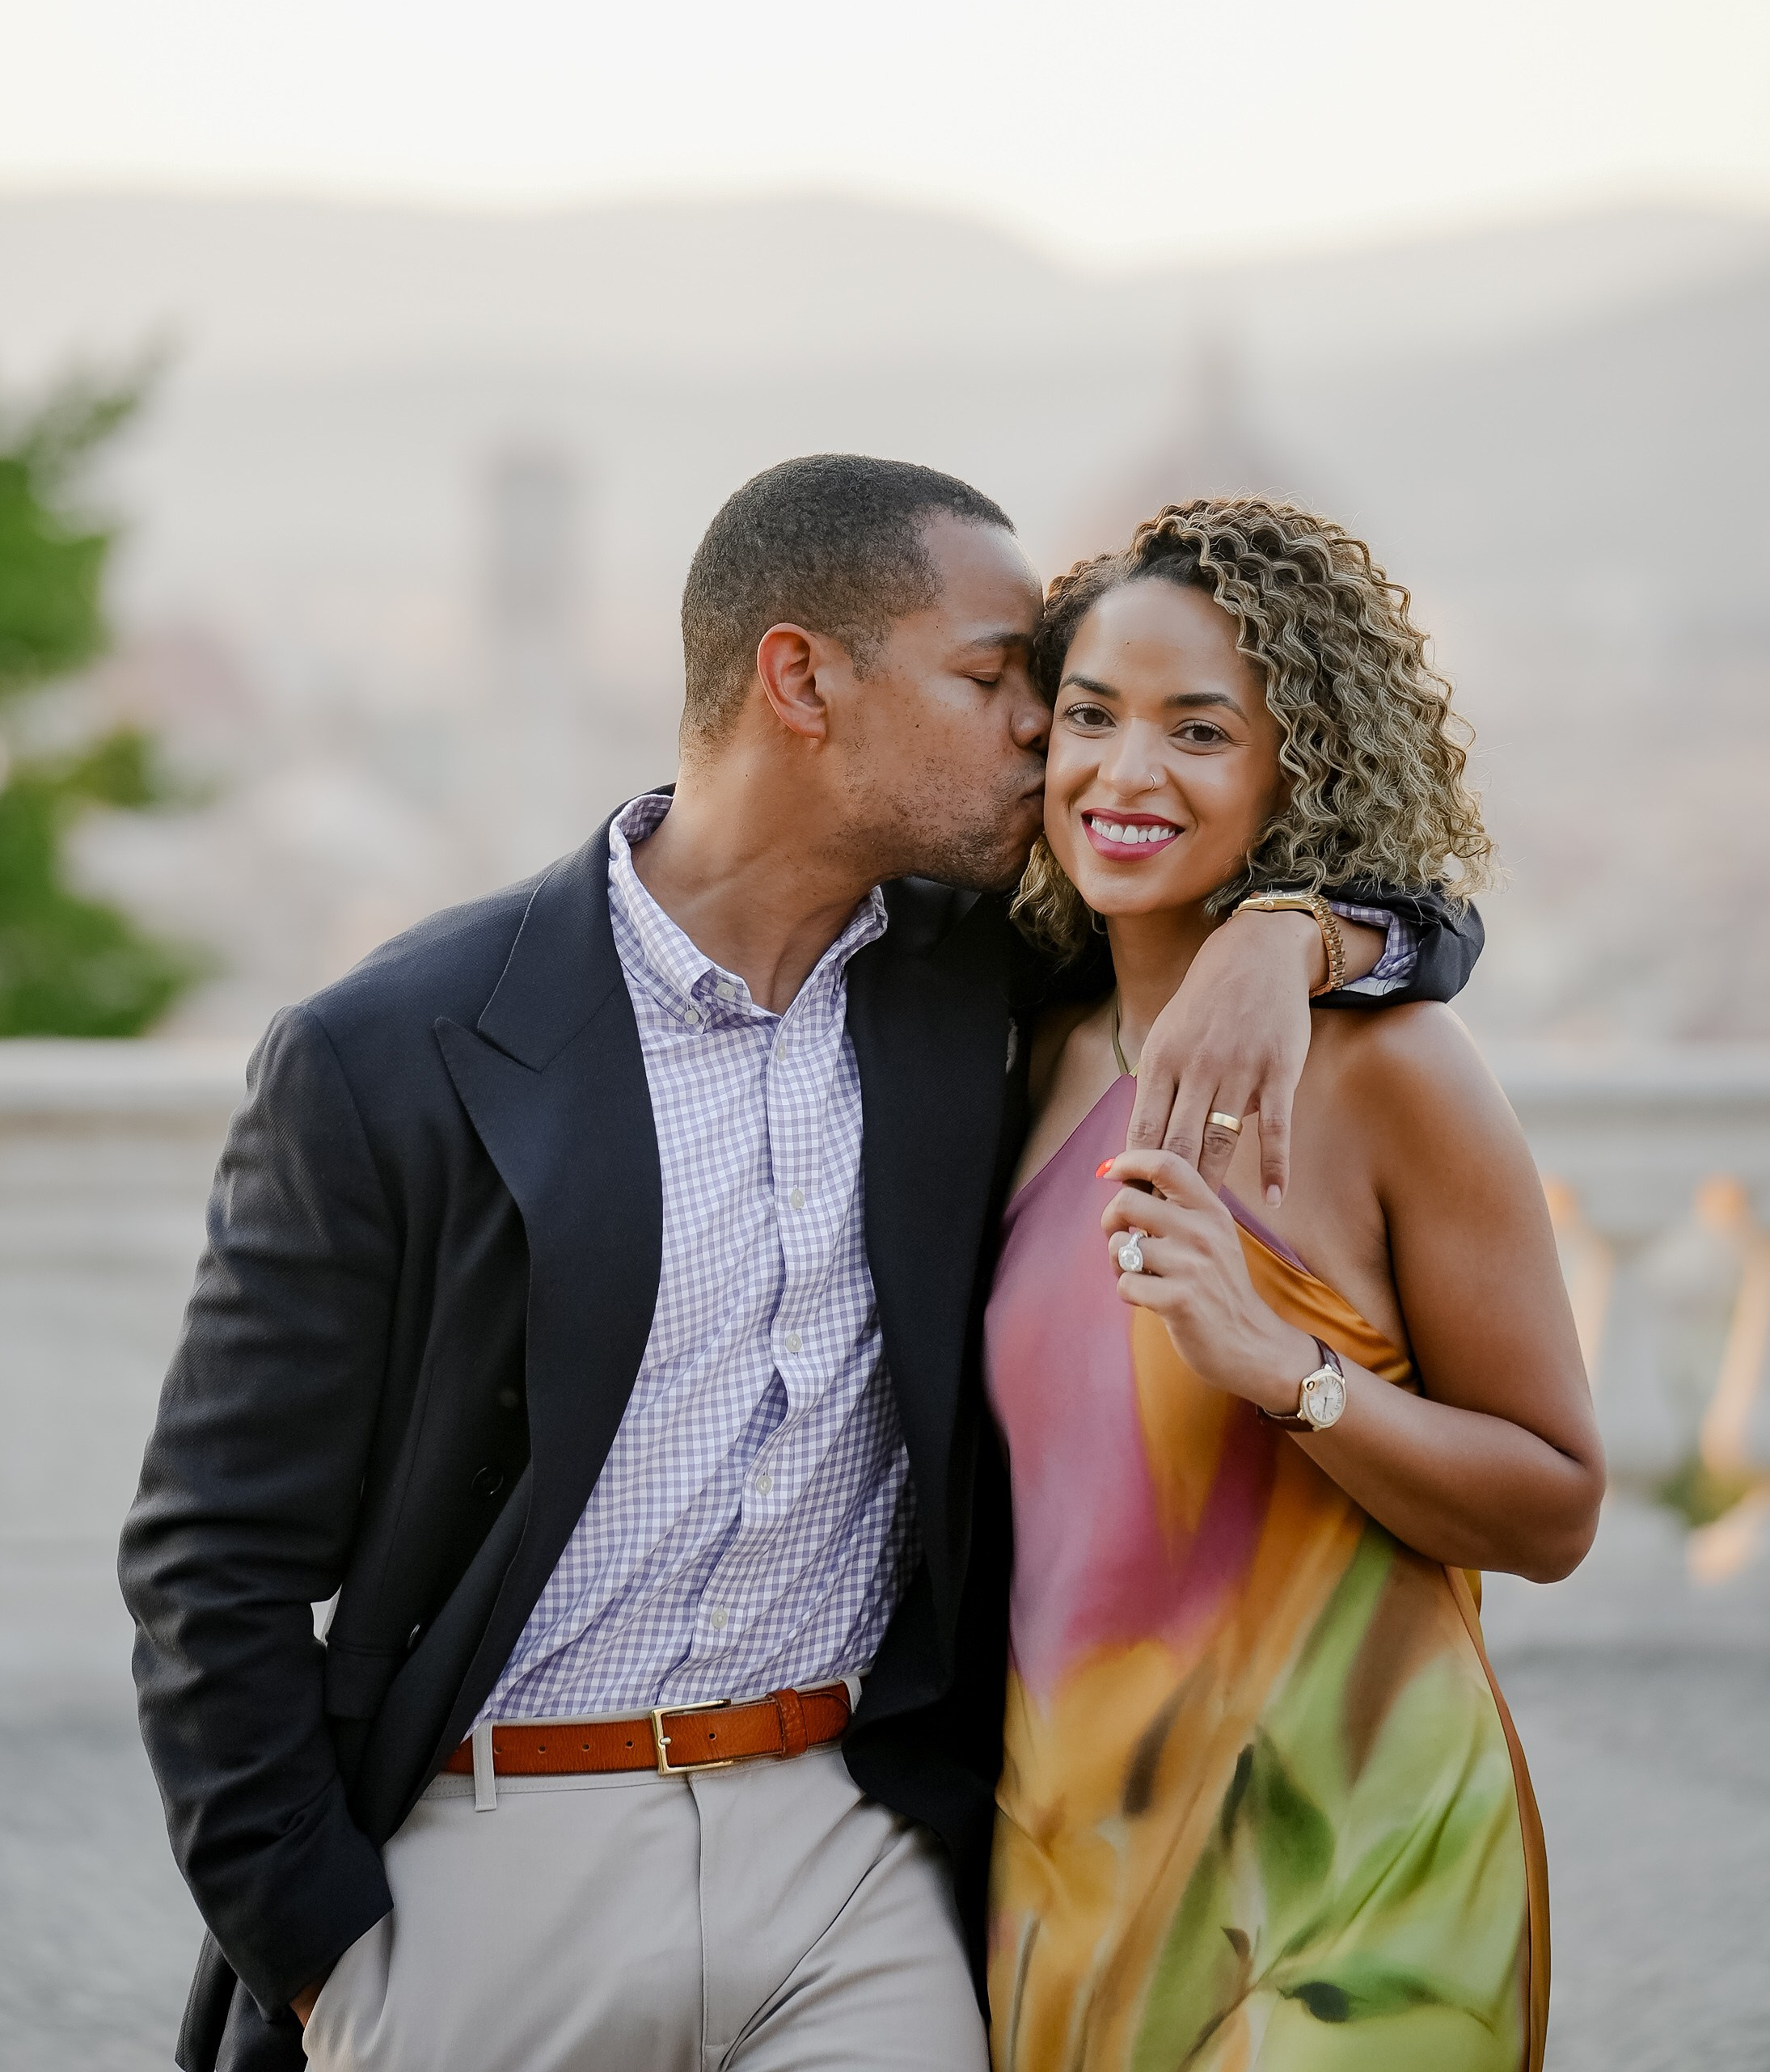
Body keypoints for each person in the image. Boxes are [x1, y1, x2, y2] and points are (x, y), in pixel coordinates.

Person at [120, 456, 1481, 2072]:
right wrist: (325, 1957)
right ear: (801, 680)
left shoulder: (970, 989)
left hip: (854, 1865)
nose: (1045, 735)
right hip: (490, 1853)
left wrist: (1301, 935)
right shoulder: (391, 1051)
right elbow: (212, 1560)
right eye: (995, 681)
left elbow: (1419, 915)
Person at [984, 497, 1603, 2072]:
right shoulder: (1007, 1058)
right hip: (1068, 1872)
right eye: (1091, 718)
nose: (1126, 776)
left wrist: (1285, 1370)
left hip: (1360, 1882)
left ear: (1293, 772)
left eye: (1201, 732)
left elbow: (1552, 1508)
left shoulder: (1394, 1074)